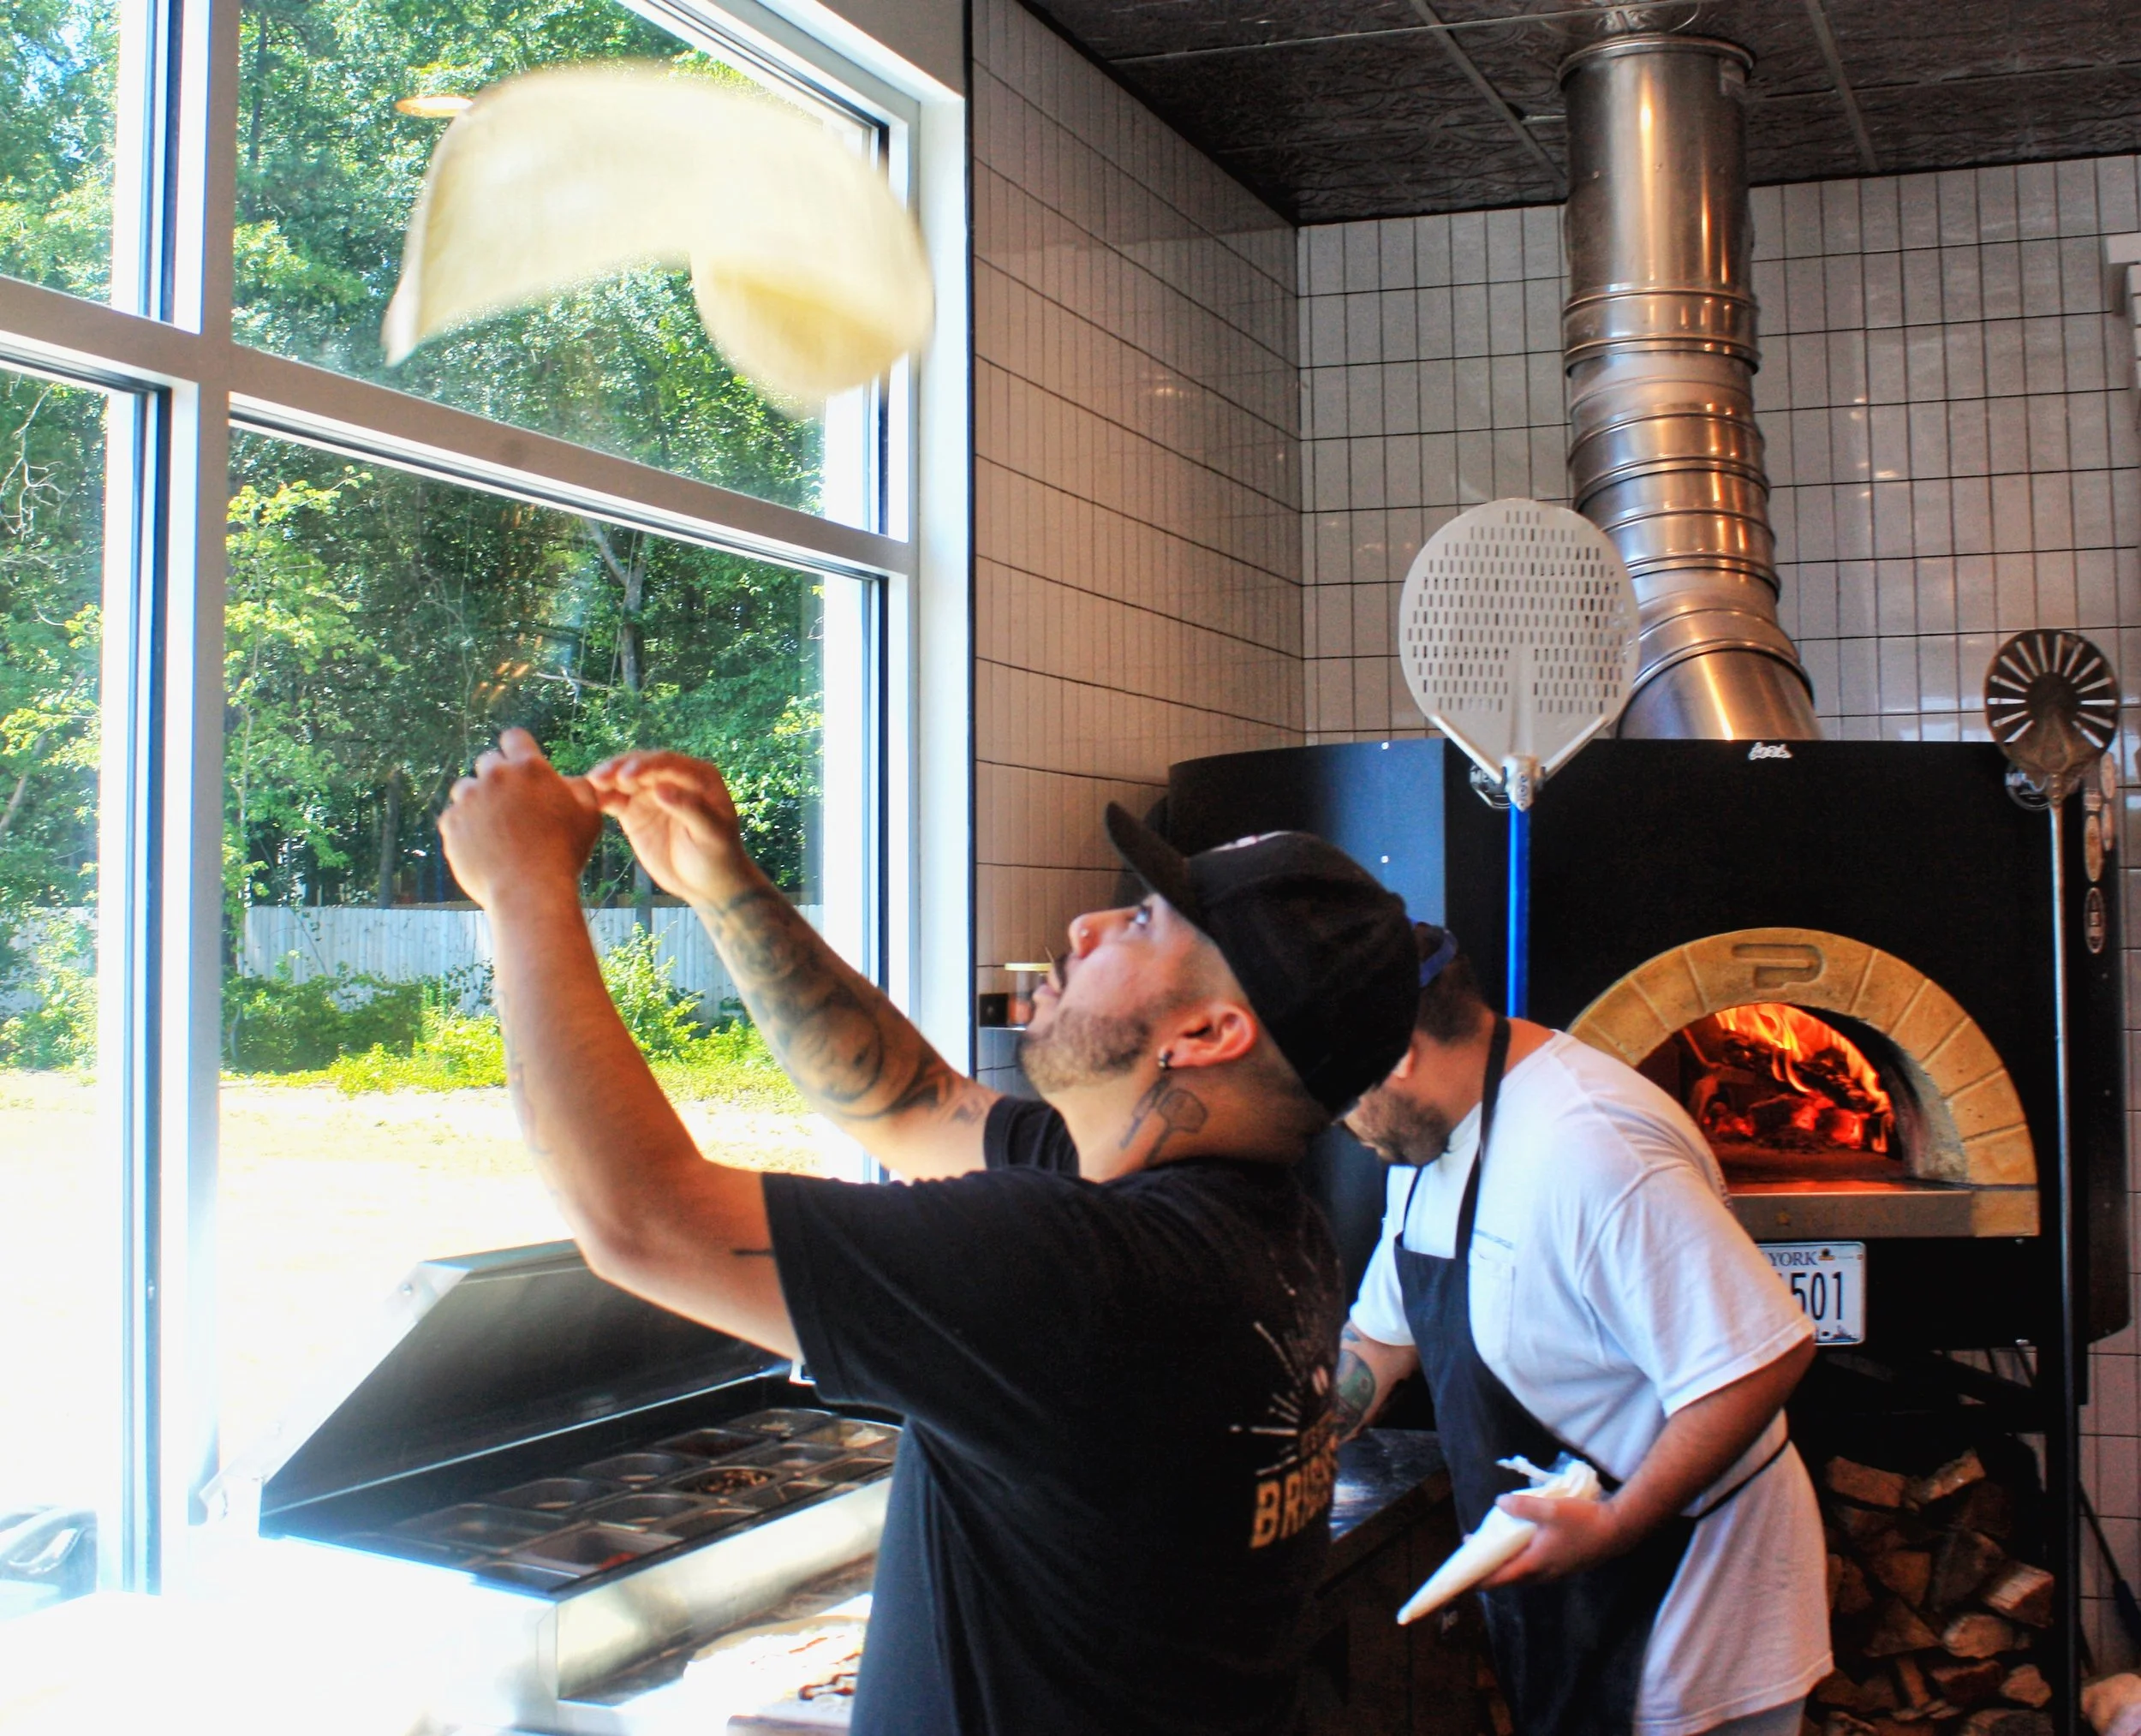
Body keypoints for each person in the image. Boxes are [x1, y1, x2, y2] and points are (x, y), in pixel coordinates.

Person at [436, 729, 1421, 1736]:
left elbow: (643, 1218)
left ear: (1206, 1032)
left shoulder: (1096, 1273)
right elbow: (907, 1104)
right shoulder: (1251, 1225)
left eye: (1140, 921)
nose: (1085, 923)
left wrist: (523, 887)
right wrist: (720, 882)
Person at [1333, 926, 1831, 1736]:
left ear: (1399, 1054)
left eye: (1340, 1090)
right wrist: (1280, 1442)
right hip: (1571, 1604)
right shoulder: (1427, 1142)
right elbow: (1384, 1341)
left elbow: (1757, 1361)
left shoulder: (1592, 1145)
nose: (1338, 1121)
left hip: (1689, 1613)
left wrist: (1618, 1525)